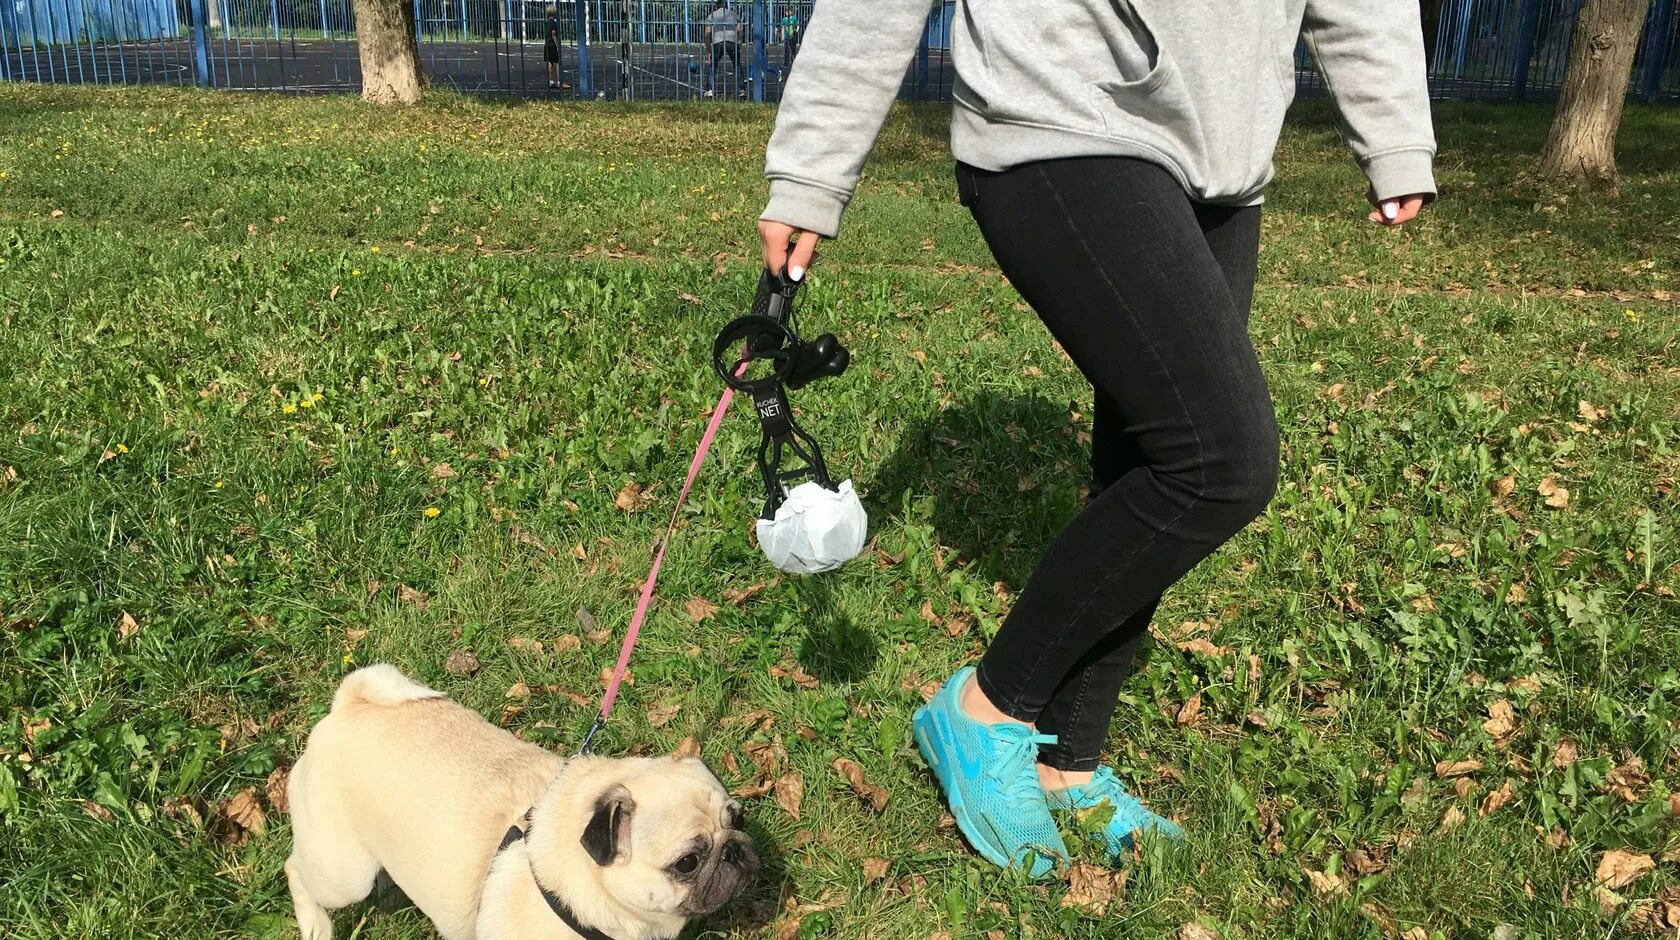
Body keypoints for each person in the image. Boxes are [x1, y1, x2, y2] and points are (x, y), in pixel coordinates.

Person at [757, 2, 1435, 878]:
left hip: (1224, 145)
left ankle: (1066, 759)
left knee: (1152, 460)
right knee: (1219, 463)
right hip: (1059, 108)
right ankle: (986, 708)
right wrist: (811, 171)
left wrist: (1394, 133)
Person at [704, 0, 743, 99]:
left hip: (718, 41)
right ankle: (741, 89)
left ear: (716, 6)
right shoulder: (733, 14)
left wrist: (708, 49)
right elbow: (739, 29)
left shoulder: (712, 15)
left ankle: (710, 90)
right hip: (732, 40)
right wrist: (739, 43)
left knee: (712, 66)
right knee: (737, 65)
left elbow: (707, 33)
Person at [543, 5, 563, 90]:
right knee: (557, 63)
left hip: (547, 45)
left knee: (550, 63)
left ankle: (550, 81)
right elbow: (553, 34)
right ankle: (559, 82)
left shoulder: (546, 23)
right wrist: (557, 45)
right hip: (552, 45)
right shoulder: (554, 23)